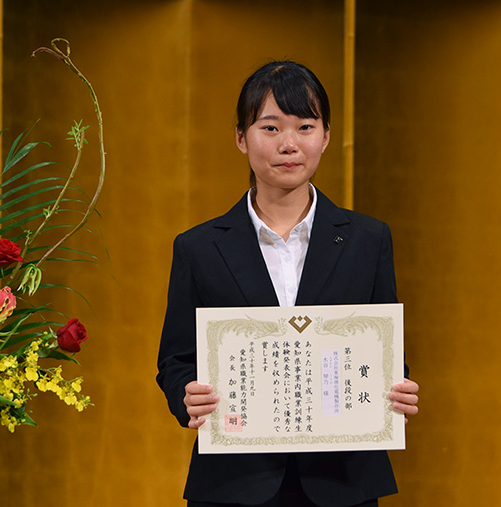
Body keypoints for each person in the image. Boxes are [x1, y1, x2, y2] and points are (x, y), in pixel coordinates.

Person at [156, 61, 419, 507]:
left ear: (327, 136)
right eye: (271, 128)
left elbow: (383, 348)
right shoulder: (198, 247)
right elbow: (176, 358)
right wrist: (188, 396)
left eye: (305, 126)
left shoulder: (368, 239)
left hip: (344, 483)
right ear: (241, 138)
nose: (289, 144)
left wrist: (399, 389)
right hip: (234, 482)